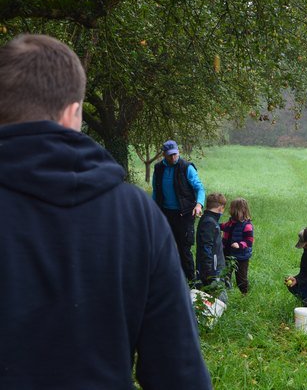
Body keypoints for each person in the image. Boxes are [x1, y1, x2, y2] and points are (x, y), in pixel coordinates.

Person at [0, 34, 211, 388]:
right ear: (73, 112)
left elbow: (197, 186)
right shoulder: (137, 216)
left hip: (180, 215)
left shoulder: (165, 187)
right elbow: (180, 374)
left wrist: (195, 204)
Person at [152, 139, 205, 281]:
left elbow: (199, 188)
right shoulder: (158, 169)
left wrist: (199, 204)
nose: (173, 157)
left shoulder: (187, 167)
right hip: (165, 213)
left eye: (175, 154)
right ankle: (168, 280)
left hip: (184, 214)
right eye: (170, 155)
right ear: (163, 154)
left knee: (183, 248)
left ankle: (191, 281)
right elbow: (155, 192)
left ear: (178, 152)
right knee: (164, 248)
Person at [221, 198, 254, 294]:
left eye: (235, 211)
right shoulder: (231, 221)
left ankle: (244, 293)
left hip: (241, 257)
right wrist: (216, 225)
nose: (232, 213)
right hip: (227, 253)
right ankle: (227, 291)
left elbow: (249, 241)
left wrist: (239, 245)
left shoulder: (247, 225)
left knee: (241, 277)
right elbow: (225, 226)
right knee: (226, 274)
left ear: (243, 211)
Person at [196, 193, 227, 287]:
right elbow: (206, 247)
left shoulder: (210, 220)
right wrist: (209, 271)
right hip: (212, 270)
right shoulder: (209, 222)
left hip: (214, 266)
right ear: (220, 208)